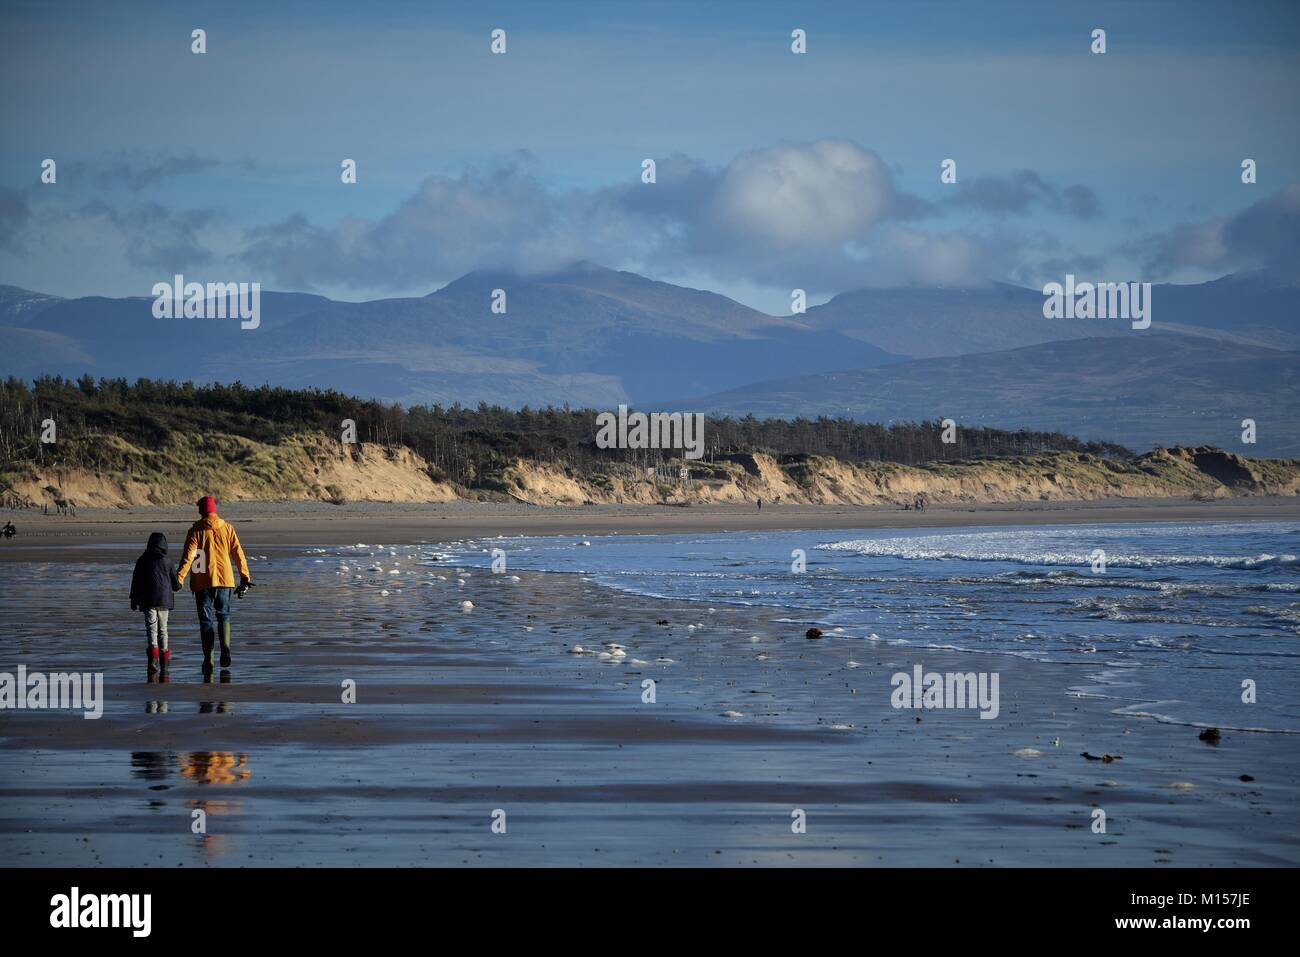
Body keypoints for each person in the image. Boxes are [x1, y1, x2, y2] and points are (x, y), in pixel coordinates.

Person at [176, 496, 253, 679]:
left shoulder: (195, 531)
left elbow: (189, 557)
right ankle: (225, 647)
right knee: (224, 615)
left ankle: (208, 658)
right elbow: (238, 554)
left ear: (202, 511)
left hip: (203, 581)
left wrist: (179, 578)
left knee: (206, 621)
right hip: (225, 579)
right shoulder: (227, 528)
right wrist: (245, 576)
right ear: (215, 510)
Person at [130, 532, 179, 681]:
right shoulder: (168, 561)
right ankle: (164, 663)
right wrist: (178, 586)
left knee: (152, 630)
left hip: (148, 600)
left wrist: (134, 599)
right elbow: (175, 584)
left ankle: (153, 659)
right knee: (163, 630)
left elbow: (136, 581)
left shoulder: (142, 560)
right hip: (164, 601)